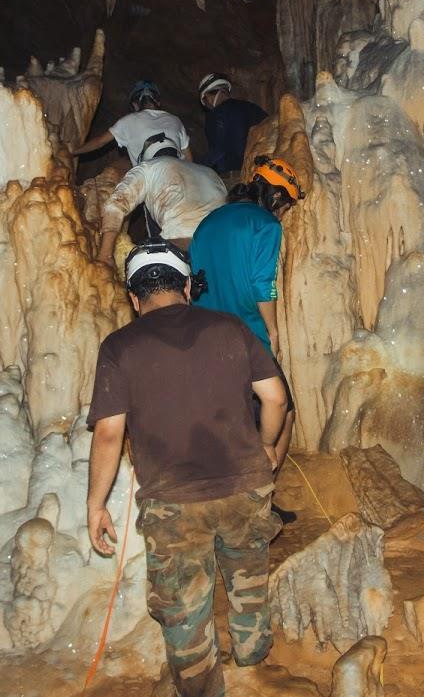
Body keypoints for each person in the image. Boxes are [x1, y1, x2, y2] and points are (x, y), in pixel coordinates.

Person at [87, 242, 289, 697]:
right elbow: (275, 398)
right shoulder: (231, 327)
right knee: (249, 585)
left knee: (184, 609)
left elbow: (107, 434)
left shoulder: (119, 346)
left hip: (174, 501)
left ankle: (203, 687)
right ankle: (253, 668)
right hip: (245, 486)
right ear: (185, 287)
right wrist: (267, 446)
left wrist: (95, 503)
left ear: (134, 300)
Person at [188, 156, 304, 522]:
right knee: (282, 412)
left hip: (203, 336)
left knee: (230, 421)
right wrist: (270, 329)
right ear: (274, 196)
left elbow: (195, 281)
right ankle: (260, 504)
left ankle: (223, 502)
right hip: (245, 337)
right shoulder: (265, 224)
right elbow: (262, 282)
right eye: (284, 203)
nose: (283, 212)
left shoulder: (207, 223)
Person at [97, 135, 227, 264]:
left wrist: (105, 255)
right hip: (223, 243)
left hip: (183, 241)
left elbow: (117, 204)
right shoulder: (210, 172)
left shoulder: (147, 167)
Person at [73, 79, 191, 166]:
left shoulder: (128, 121)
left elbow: (99, 142)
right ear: (158, 102)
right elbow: (189, 158)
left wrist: (73, 151)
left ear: (135, 105)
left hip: (151, 174)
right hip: (179, 170)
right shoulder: (175, 120)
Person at [197, 73, 267, 176]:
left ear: (208, 97)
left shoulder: (216, 114)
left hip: (236, 175)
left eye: (205, 102)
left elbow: (218, 150)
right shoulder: (254, 108)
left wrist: (196, 167)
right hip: (263, 171)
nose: (207, 107)